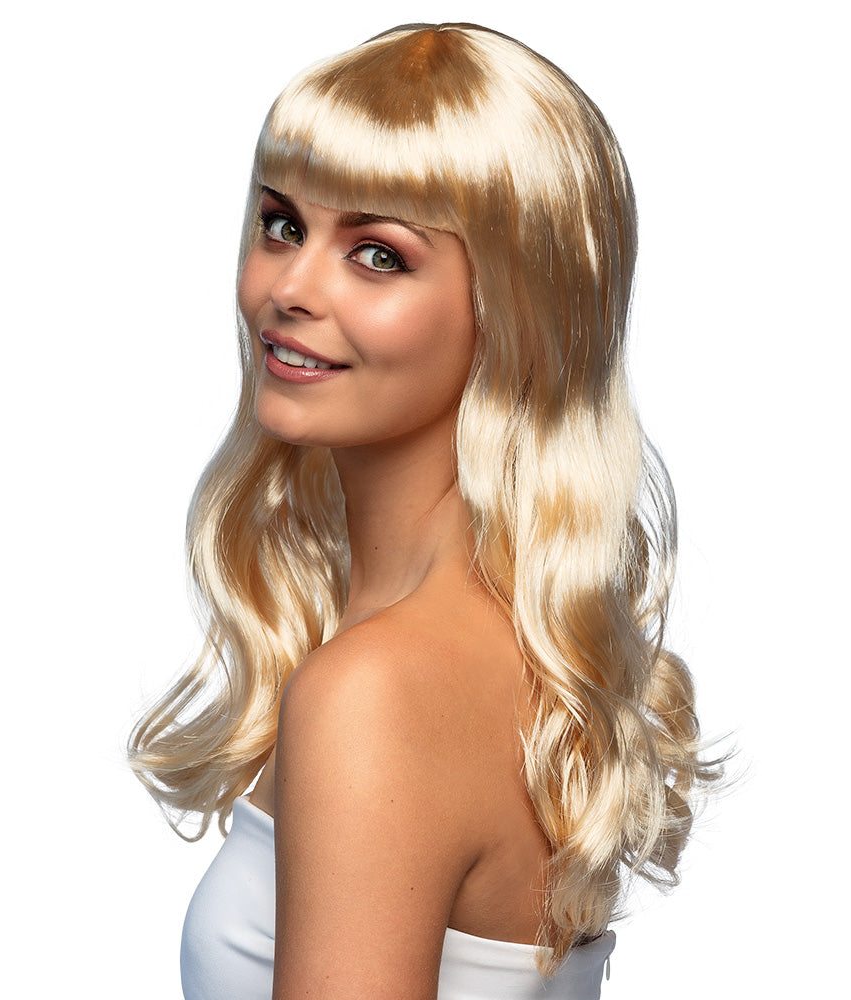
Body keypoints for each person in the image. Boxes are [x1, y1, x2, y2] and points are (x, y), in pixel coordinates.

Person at [130, 22, 720, 1000]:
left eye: (377, 254)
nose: (290, 288)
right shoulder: (507, 645)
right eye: (282, 225)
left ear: (516, 307)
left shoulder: (375, 690)